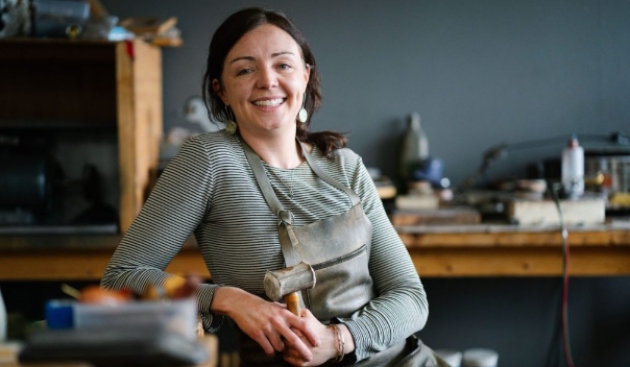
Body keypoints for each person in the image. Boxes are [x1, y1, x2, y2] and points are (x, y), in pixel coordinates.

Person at [101, 7, 448, 367]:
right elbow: (121, 278)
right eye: (245, 69)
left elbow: (410, 298)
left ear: (305, 76)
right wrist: (228, 299)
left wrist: (339, 340)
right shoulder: (207, 160)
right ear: (221, 90)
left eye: (283, 65)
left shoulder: (345, 166)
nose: (267, 81)